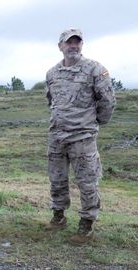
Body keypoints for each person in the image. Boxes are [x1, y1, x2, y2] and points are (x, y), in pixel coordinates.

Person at [45, 28, 115, 245]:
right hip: (57, 135)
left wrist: (94, 123)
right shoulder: (52, 73)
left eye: (77, 42)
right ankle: (58, 216)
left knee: (87, 182)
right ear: (60, 46)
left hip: (83, 137)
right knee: (56, 179)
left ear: (82, 45)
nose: (73, 46)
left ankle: (87, 224)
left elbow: (108, 101)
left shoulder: (95, 69)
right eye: (69, 43)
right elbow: (51, 100)